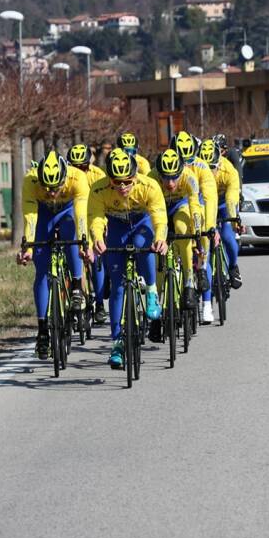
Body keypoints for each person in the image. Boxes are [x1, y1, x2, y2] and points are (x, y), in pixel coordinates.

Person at [88, 148, 167, 369]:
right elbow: (94, 217)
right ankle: (116, 343)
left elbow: (159, 216)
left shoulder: (149, 186)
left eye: (127, 182)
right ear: (109, 179)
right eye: (117, 182)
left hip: (141, 223)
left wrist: (160, 238)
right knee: (117, 287)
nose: (122, 187)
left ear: (135, 176)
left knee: (144, 246)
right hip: (116, 227)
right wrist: (97, 238)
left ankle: (151, 291)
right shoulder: (99, 189)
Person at [16, 151, 89, 360]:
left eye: (56, 187)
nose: (52, 192)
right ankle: (42, 330)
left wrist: (84, 243)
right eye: (47, 187)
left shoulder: (77, 178)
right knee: (41, 270)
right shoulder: (30, 181)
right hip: (44, 214)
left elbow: (81, 215)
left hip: (67, 213)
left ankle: (76, 287)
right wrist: (27, 248)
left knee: (71, 233)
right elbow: (30, 218)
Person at [146, 148, 202, 342]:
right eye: (165, 178)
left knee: (181, 227)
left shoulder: (190, 177)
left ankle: (188, 281)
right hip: (157, 209)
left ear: (181, 172)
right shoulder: (151, 178)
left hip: (180, 206)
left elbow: (195, 206)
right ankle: (155, 315)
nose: (169, 183)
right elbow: (145, 209)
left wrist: (197, 232)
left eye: (174, 178)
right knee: (158, 256)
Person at [174, 131, 218, 324]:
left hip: (198, 205)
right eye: (183, 160)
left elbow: (210, 198)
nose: (187, 163)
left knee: (203, 255)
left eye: (190, 158)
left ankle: (207, 304)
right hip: (177, 207)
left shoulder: (202, 167)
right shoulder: (169, 165)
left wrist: (210, 227)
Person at [67, 143, 109, 324]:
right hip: (73, 217)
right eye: (74, 167)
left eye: (82, 167)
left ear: (89, 164)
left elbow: (106, 202)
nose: (79, 170)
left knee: (96, 259)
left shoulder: (98, 175)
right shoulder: (66, 177)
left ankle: (99, 304)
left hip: (93, 218)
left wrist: (104, 224)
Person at [199, 138, 244, 289]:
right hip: (205, 203)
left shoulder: (229, 170)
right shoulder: (196, 170)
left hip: (224, 203)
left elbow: (232, 200)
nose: (209, 172)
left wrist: (234, 221)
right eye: (205, 167)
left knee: (226, 235)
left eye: (212, 167)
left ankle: (233, 267)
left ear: (219, 161)